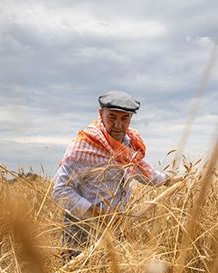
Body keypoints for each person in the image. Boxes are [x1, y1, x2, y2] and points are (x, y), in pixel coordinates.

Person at [52, 90, 181, 260]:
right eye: (112, 117)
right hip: (81, 229)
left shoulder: (128, 144)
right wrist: (99, 215)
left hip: (115, 228)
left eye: (124, 118)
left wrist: (168, 181)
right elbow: (60, 191)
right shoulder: (83, 146)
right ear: (101, 114)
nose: (118, 125)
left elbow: (141, 169)